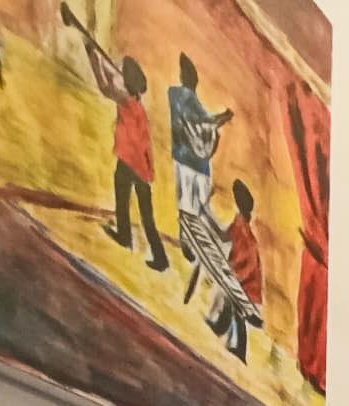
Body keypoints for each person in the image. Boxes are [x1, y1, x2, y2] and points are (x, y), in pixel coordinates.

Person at [101, 55, 168, 272]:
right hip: (140, 167)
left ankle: (125, 237)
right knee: (145, 215)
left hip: (130, 163)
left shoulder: (127, 103)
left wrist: (92, 55)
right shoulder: (136, 105)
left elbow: (105, 86)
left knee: (124, 201)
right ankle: (158, 257)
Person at [167, 54, 233, 258]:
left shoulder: (176, 96)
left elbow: (197, 124)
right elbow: (204, 124)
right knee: (198, 205)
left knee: (188, 203)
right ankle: (194, 242)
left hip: (185, 159)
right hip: (195, 163)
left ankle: (189, 241)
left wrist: (217, 120)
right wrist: (223, 118)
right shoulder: (188, 100)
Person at [205, 180, 264, 363]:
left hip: (248, 287)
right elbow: (224, 236)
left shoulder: (247, 235)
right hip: (239, 281)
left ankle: (238, 347)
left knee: (236, 308)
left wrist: (236, 277)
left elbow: (250, 265)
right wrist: (208, 215)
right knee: (230, 302)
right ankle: (221, 327)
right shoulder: (239, 223)